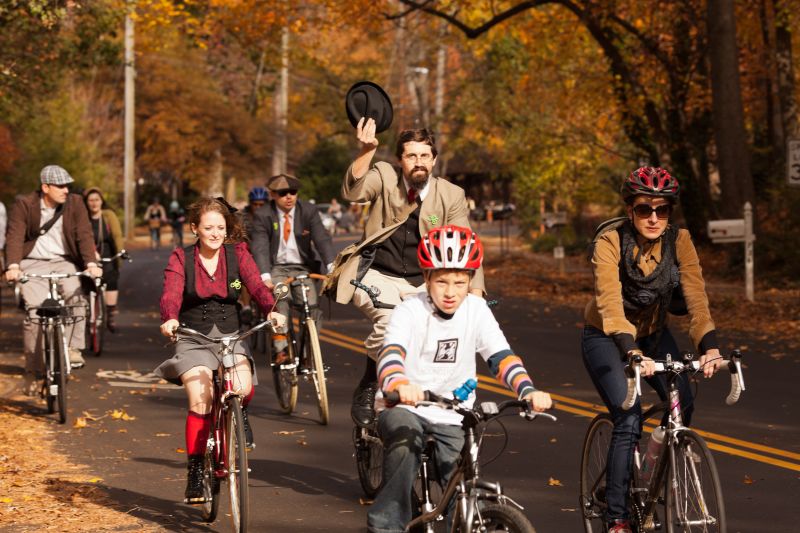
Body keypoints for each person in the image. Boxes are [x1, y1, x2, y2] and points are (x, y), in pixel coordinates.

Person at [367, 225, 552, 533]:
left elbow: (500, 357)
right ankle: (386, 525)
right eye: (441, 281)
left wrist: (528, 390)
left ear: (470, 280)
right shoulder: (409, 310)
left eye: (459, 281)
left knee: (460, 476)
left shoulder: (477, 310)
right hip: (404, 405)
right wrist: (398, 384)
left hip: (453, 412)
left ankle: (468, 524)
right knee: (403, 443)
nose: (450, 292)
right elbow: (391, 355)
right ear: (426, 279)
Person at [582, 167, 724, 533]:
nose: (654, 218)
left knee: (684, 403)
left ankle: (651, 465)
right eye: (645, 209)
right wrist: (631, 352)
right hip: (607, 337)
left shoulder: (680, 241)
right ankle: (617, 517)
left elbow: (696, 297)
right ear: (630, 209)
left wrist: (709, 347)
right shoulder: (610, 241)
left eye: (662, 210)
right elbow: (610, 304)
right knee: (628, 417)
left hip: (655, 334)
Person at [326, 117, 485, 428]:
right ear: (400, 160)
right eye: (411, 156)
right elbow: (353, 191)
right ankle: (370, 381)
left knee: (434, 337)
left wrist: (475, 292)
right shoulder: (385, 177)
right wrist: (366, 151)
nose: (419, 162)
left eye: (425, 155)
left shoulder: (450, 194)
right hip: (375, 274)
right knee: (392, 322)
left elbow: (466, 243)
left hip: (423, 280)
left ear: (434, 160)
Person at [156, 197, 280, 503]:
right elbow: (171, 292)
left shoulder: (237, 253)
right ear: (195, 228)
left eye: (221, 227)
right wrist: (170, 318)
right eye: (208, 227)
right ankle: (196, 471)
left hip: (230, 334)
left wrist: (272, 309)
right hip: (193, 334)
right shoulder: (180, 258)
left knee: (243, 386)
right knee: (201, 400)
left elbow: (256, 285)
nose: (215, 233)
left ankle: (240, 413)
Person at [4, 165, 102, 393]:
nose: (66, 190)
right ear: (45, 187)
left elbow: (84, 234)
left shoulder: (75, 203)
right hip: (31, 262)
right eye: (60, 186)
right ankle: (33, 369)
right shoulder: (24, 204)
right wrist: (13, 266)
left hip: (64, 261)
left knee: (76, 297)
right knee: (34, 313)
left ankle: (73, 349)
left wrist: (91, 264)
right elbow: (15, 236)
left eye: (67, 185)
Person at [250, 174, 335, 363]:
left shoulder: (308, 211)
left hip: (304, 268)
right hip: (277, 269)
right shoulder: (263, 215)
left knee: (312, 306)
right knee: (281, 300)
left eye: (293, 192)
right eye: (282, 193)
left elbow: (322, 238)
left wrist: (332, 266)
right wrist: (265, 275)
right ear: (273, 195)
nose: (288, 196)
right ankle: (280, 349)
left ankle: (307, 351)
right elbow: (260, 246)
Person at [83, 187, 124, 332]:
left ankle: (110, 314)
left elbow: (117, 236)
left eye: (97, 200)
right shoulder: (83, 217)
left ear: (102, 201)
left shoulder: (108, 216)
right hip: (88, 254)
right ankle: (88, 314)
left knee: (111, 278)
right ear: (86, 202)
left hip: (107, 253)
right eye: (91, 200)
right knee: (85, 282)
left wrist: (120, 253)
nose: (94, 203)